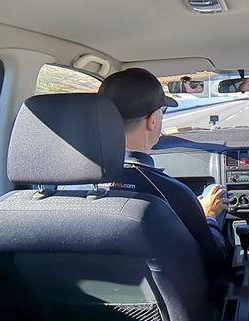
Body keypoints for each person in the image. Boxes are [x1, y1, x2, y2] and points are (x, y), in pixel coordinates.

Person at [97, 68, 230, 269]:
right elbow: (215, 261)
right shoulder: (172, 193)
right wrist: (208, 216)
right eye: (162, 112)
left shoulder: (62, 188)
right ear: (152, 121)